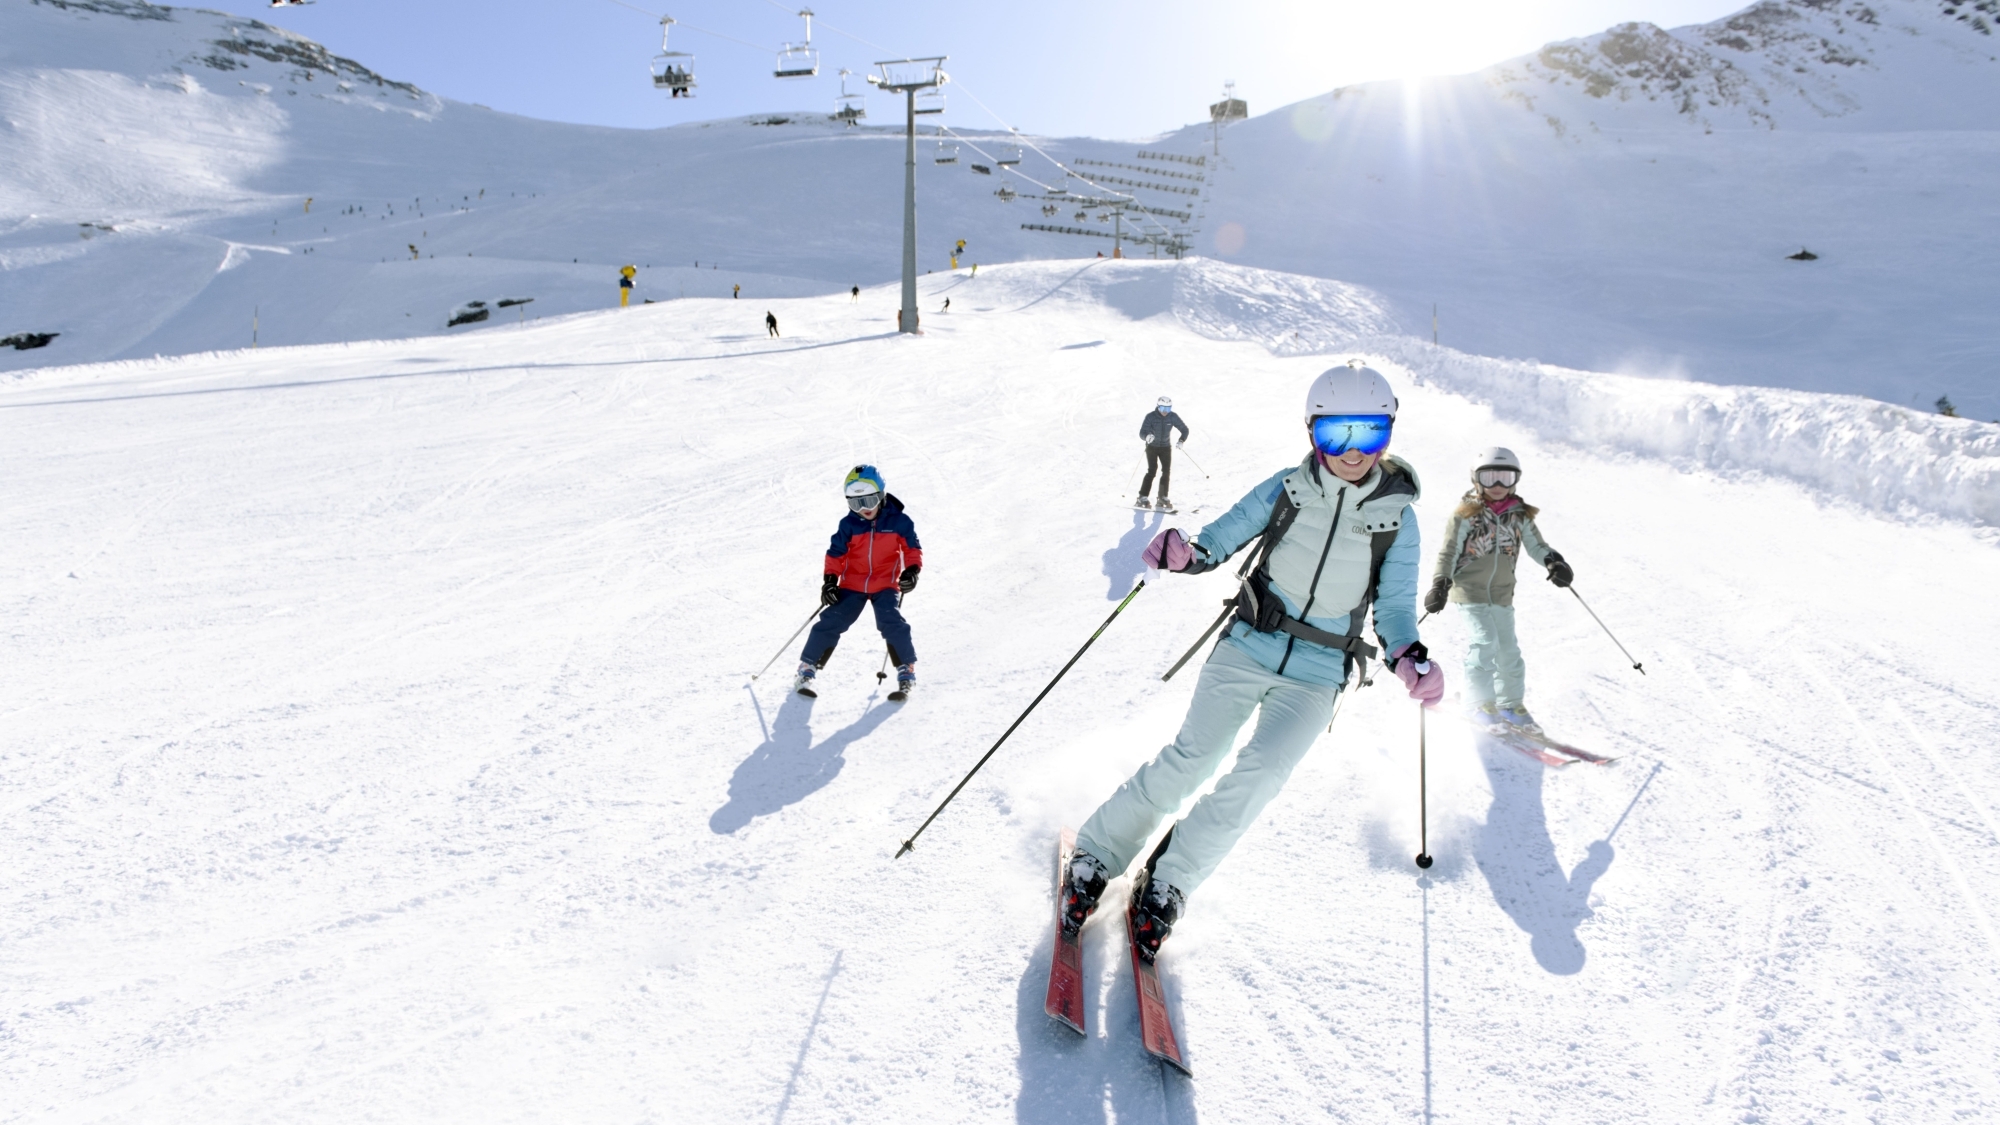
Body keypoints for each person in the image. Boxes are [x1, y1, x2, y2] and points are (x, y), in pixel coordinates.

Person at [1064, 366, 1443, 958]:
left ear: (1388, 435)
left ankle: (1169, 880)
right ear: (1313, 431)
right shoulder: (1287, 488)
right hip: (1249, 644)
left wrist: (1409, 656)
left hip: (1320, 674)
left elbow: (1393, 611)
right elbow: (1218, 538)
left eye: (1366, 434)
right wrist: (1183, 552)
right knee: (1193, 759)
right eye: (1337, 433)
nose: (1351, 451)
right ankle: (1097, 852)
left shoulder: (1399, 520)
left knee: (1260, 778)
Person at [1423, 447, 1571, 730]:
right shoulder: (1465, 514)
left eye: (1506, 477)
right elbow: (1449, 551)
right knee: (1485, 642)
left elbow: (1537, 546)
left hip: (1502, 593)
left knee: (1508, 651)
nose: (1499, 485)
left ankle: (1509, 703)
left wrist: (1554, 562)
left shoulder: (1519, 515)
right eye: (1491, 478)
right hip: (1469, 590)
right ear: (1476, 480)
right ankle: (1478, 703)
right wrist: (1440, 583)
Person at [795, 466, 922, 699]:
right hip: (852, 584)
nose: (865, 509)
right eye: (856, 503)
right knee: (831, 620)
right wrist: (830, 582)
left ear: (882, 496)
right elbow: (836, 555)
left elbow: (912, 549)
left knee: (892, 622)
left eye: (870, 500)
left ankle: (906, 672)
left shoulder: (900, 522)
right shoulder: (849, 525)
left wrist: (911, 571)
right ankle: (807, 669)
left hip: (885, 584)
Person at [1137, 396, 1189, 512]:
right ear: (1158, 406)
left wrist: (1181, 440)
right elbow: (1142, 432)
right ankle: (1142, 497)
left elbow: (1184, 429)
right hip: (1152, 447)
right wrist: (1147, 437)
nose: (1165, 411)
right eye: (1162, 408)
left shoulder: (1172, 417)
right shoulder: (1150, 417)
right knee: (1152, 470)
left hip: (1165, 447)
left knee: (1166, 471)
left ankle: (1162, 497)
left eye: (1168, 408)